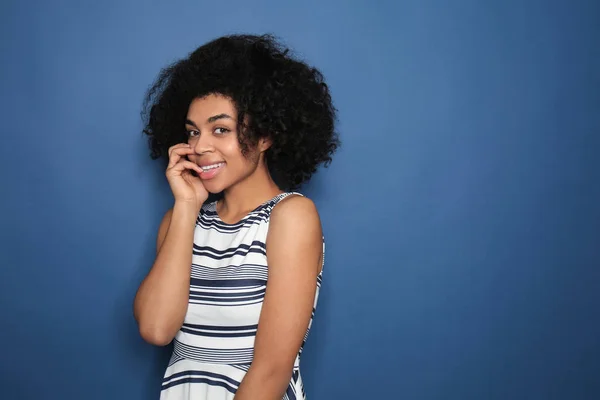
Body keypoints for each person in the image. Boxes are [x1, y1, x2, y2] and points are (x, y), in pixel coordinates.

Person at [133, 33, 339, 400]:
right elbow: (155, 329)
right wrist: (186, 207)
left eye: (221, 129)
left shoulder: (291, 217)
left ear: (265, 136)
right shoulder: (180, 220)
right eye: (192, 132)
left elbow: (271, 371)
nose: (199, 147)